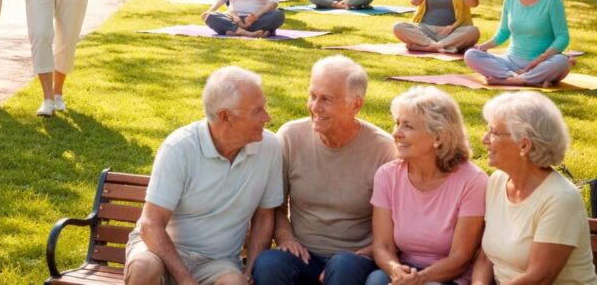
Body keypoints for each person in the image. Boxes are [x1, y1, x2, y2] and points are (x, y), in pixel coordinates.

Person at [125, 66, 283, 285]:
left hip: (218, 262)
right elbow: (150, 225)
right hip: (160, 252)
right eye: (257, 111)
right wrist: (186, 280)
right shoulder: (179, 147)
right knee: (144, 268)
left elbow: (265, 217)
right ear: (225, 116)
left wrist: (248, 273)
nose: (268, 117)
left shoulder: (270, 147)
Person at [252, 56, 396, 285]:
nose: (315, 107)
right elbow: (275, 206)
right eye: (312, 96)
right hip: (304, 253)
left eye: (326, 99)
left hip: (357, 258)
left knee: (343, 266)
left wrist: (366, 253)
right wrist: (286, 237)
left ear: (356, 105)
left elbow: (397, 224)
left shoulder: (384, 149)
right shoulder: (290, 137)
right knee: (269, 264)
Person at [470, 92, 597, 285]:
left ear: (524, 145)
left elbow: (539, 277)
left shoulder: (560, 199)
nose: (484, 139)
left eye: (494, 132)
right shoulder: (497, 181)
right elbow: (486, 257)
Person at [367, 86, 487, 285]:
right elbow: (383, 246)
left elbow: (460, 258)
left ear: (438, 138)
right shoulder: (387, 175)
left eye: (408, 126)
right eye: (397, 123)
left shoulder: (472, 181)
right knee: (377, 281)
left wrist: (419, 279)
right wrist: (395, 269)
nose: (396, 133)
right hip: (404, 269)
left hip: (449, 277)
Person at [464, 0, 572, 86]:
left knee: (561, 62)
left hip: (543, 62)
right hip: (511, 62)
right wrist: (484, 46)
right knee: (471, 55)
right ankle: (521, 78)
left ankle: (513, 79)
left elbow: (563, 37)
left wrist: (540, 59)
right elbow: (504, 32)